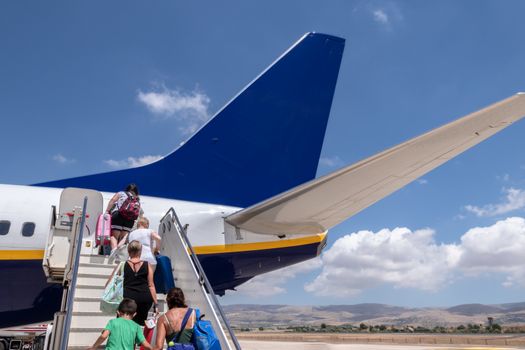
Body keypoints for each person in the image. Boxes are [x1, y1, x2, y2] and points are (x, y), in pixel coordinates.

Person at [87, 298, 153, 350]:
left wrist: (94, 347)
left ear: (118, 312)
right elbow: (145, 344)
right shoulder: (136, 327)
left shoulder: (112, 322)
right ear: (135, 314)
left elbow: (103, 336)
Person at [124, 240, 158, 326]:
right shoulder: (147, 265)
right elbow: (151, 285)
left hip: (128, 299)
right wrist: (156, 304)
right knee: (139, 326)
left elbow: (112, 282)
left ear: (128, 251)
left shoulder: (123, 264)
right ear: (140, 251)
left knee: (123, 325)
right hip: (144, 299)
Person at [106, 183, 140, 250]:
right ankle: (119, 254)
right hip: (130, 219)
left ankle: (114, 251)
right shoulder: (136, 198)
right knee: (123, 238)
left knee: (114, 236)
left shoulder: (121, 193)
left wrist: (107, 211)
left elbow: (112, 200)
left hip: (119, 215)